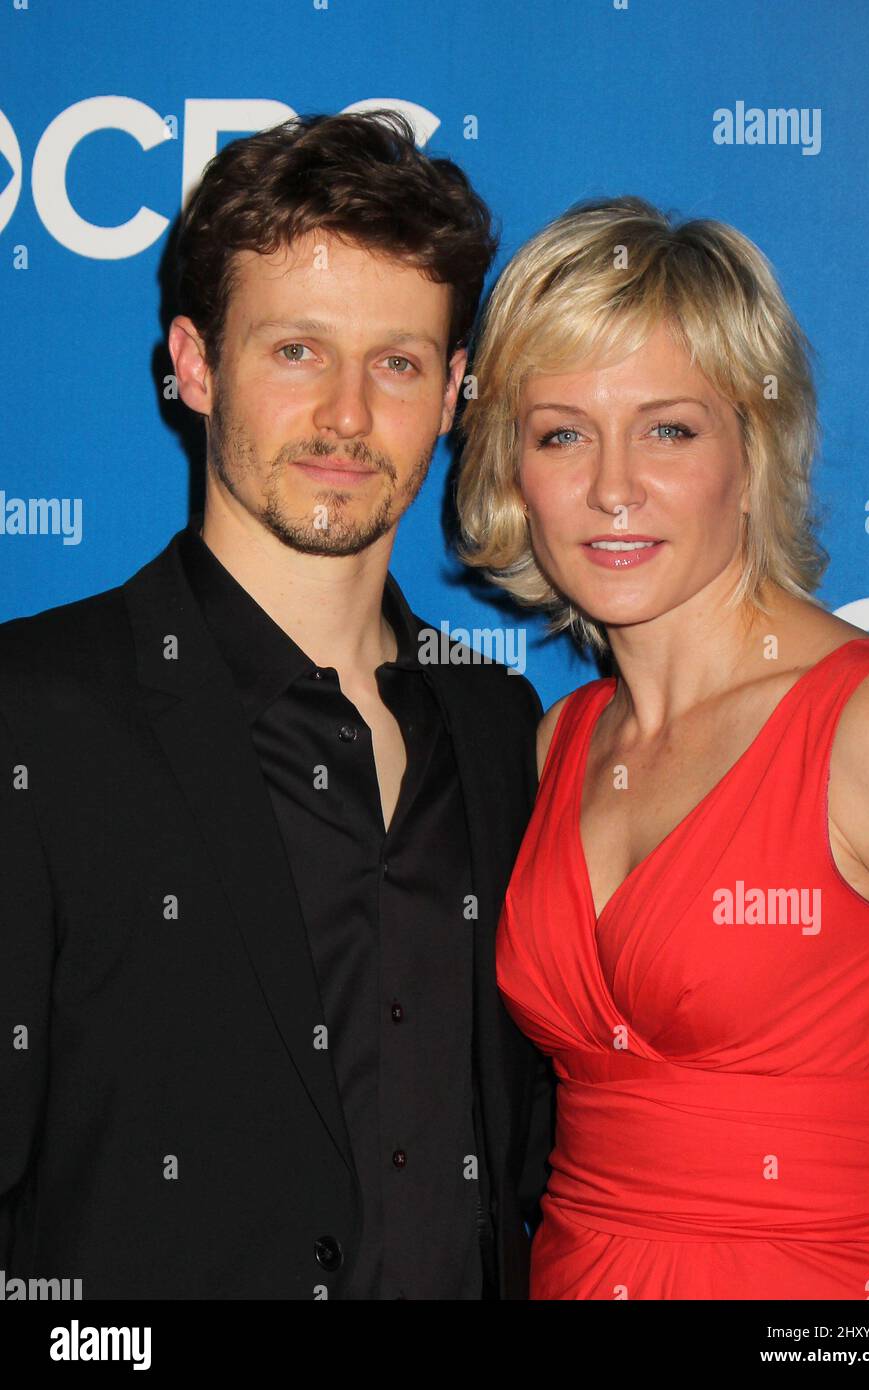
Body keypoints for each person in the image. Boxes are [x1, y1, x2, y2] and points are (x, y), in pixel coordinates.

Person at [0, 110, 555, 1300]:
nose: (349, 416)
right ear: (195, 364)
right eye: (296, 351)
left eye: (398, 363)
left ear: (456, 391)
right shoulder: (33, 714)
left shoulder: (503, 726)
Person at [456, 195, 869, 1299]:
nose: (613, 485)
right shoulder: (562, 742)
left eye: (668, 427)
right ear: (512, 468)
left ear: (752, 448)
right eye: (562, 432)